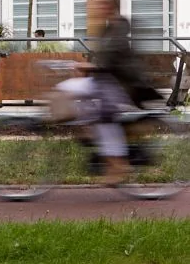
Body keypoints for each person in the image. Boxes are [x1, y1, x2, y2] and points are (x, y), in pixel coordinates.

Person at [56, 11, 161, 184]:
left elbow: (108, 65)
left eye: (101, 3)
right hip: (108, 84)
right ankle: (89, 134)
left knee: (101, 116)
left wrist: (86, 66)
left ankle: (116, 162)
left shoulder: (116, 32)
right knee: (72, 95)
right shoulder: (110, 30)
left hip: (118, 87)